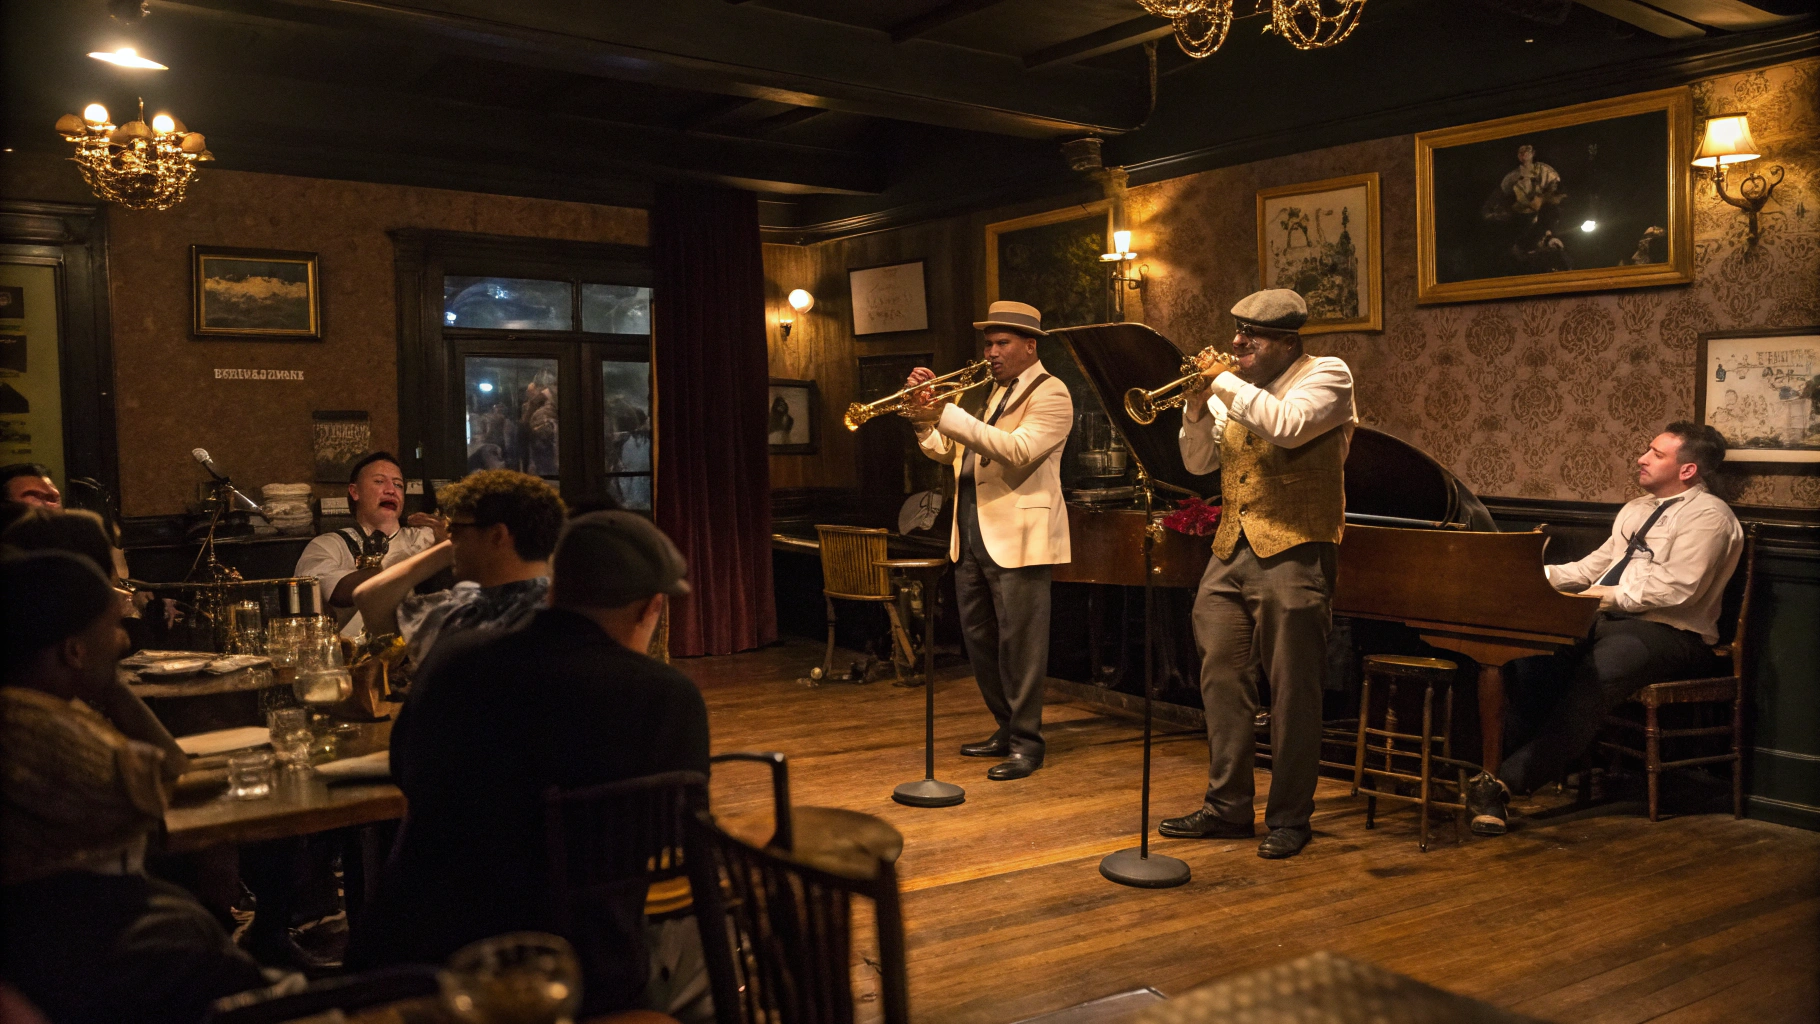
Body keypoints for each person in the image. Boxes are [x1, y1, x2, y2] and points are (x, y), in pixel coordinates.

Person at [349, 511, 707, 1019]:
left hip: (422, 957)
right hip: (583, 972)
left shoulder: (455, 661)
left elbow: (406, 774)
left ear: (554, 589)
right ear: (652, 607)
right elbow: (668, 841)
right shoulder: (669, 697)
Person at [0, 551, 268, 1024]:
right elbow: (167, 780)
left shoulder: (49, 707)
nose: (125, 641)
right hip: (84, 961)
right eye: (114, 627)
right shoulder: (36, 735)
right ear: (74, 651)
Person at [1466, 423, 1743, 835]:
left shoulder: (1710, 518)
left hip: (1670, 633)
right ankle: (1484, 771)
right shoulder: (1636, 509)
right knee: (1530, 657)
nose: (1641, 459)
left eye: (1656, 454)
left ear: (1687, 470)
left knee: (1596, 675)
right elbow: (1590, 569)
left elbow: (1676, 590)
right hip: (1606, 618)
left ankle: (1504, 785)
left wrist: (1595, 598)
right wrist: (1530, 577)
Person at [1161, 288, 1356, 860]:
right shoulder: (1236, 387)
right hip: (1230, 551)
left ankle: (1291, 816)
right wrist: (1196, 407)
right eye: (1238, 331)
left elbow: (1287, 426)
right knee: (1221, 682)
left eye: (1253, 335)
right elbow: (1199, 462)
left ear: (1287, 342)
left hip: (1296, 551)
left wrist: (1222, 382)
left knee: (1294, 690)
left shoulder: (1327, 375)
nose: (1238, 342)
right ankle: (1227, 807)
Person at [905, 300, 1073, 782]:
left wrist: (947, 412)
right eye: (988, 344)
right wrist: (923, 418)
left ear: (1029, 346)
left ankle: (1027, 743)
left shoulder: (1051, 392)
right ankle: (1006, 726)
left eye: (1002, 343)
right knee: (980, 642)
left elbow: (1018, 450)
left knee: (1021, 646)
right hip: (970, 534)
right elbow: (949, 451)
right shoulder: (987, 394)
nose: (991, 353)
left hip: (1019, 536)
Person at [352, 469, 564, 683]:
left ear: (497, 535)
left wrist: (445, 549)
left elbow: (370, 597)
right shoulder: (567, 611)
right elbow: (368, 596)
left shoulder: (463, 613)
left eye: (455, 529)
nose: (451, 538)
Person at [293, 451, 442, 637]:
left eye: (398, 485)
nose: (391, 490)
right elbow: (336, 593)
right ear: (355, 492)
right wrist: (423, 559)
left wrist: (451, 539)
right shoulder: (327, 545)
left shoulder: (427, 537)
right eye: (379, 481)